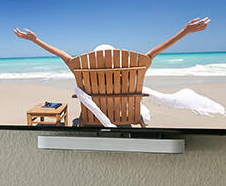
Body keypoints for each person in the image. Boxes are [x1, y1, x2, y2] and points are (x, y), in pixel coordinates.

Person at [12, 18, 212, 127]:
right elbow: (155, 52)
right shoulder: (132, 70)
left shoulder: (80, 68)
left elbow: (60, 54)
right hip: (126, 118)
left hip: (91, 120)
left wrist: (34, 40)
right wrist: (185, 31)